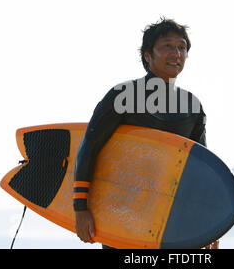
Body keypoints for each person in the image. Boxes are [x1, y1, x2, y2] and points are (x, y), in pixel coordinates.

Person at [73, 17, 218, 249]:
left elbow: (198, 170)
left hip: (167, 219)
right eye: (167, 46)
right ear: (147, 56)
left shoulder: (192, 106)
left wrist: (208, 225)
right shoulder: (124, 96)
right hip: (121, 213)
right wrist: (80, 208)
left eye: (182, 47)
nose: (176, 53)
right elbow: (89, 147)